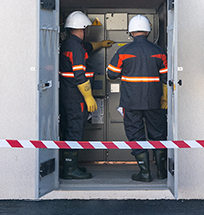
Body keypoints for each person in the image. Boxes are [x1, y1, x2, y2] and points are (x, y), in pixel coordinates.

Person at [106, 15, 168, 182]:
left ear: (131, 31)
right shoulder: (159, 51)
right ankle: (162, 172)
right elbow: (165, 78)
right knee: (158, 133)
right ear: (148, 31)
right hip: (155, 101)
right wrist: (165, 99)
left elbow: (111, 74)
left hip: (131, 102)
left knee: (135, 134)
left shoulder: (124, 51)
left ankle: (145, 173)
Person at [58, 11, 113, 179]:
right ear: (83, 29)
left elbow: (88, 47)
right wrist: (89, 97)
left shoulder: (71, 44)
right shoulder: (75, 47)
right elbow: (79, 75)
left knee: (71, 128)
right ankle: (69, 169)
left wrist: (101, 44)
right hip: (76, 96)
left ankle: (70, 165)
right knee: (75, 129)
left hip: (69, 94)